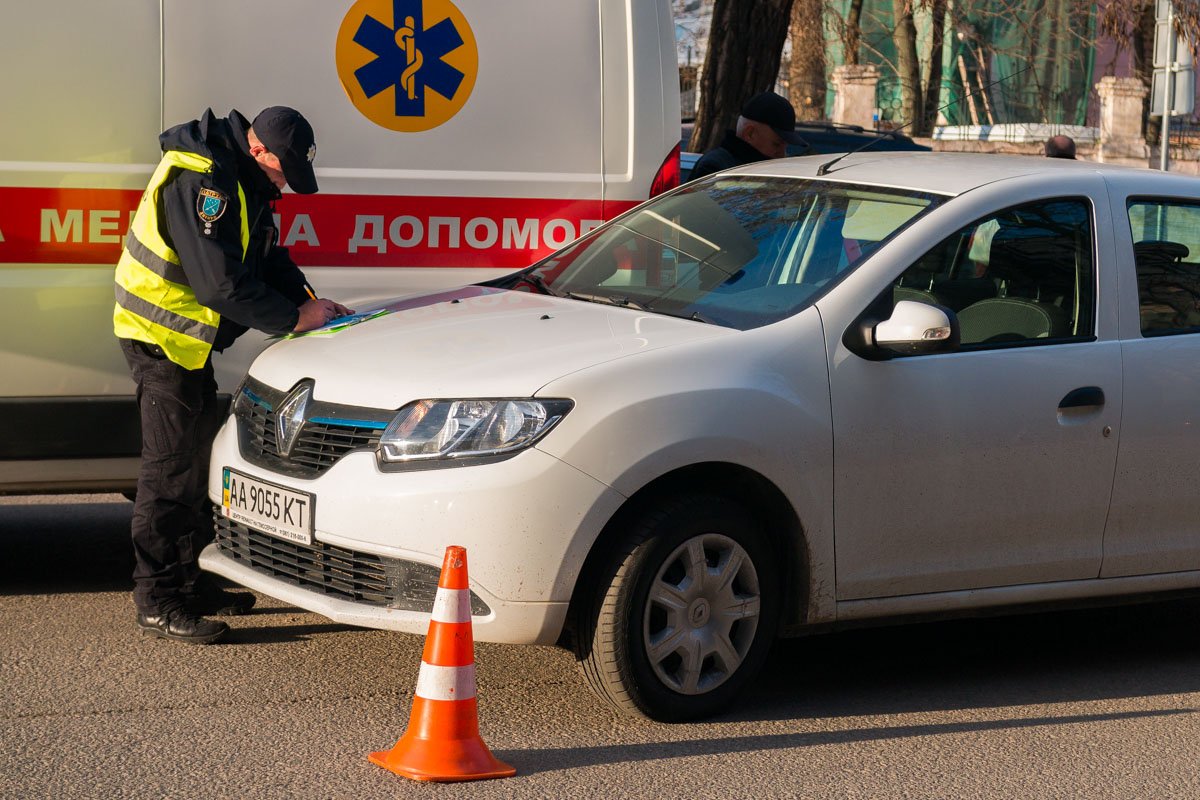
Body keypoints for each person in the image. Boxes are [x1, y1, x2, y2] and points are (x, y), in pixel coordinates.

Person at [113, 107, 352, 644]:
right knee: (170, 472)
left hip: (189, 344)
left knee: (196, 463)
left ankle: (191, 581)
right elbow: (219, 286)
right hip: (160, 338)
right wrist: (294, 320)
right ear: (259, 150)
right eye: (281, 171)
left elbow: (267, 260)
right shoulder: (205, 180)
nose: (282, 183)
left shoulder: (243, 179)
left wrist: (312, 303)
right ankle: (159, 598)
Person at [688, 92, 806, 181]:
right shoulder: (715, 168)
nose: (782, 154)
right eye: (776, 144)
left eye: (785, 146)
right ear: (750, 133)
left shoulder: (763, 169)